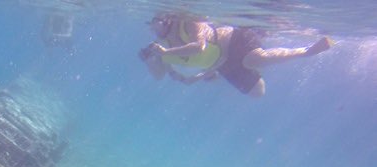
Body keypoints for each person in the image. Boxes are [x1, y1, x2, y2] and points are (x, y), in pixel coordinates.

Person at [139, 13, 332, 97]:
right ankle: (257, 44)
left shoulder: (189, 22)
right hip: (222, 63)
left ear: (166, 20)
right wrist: (150, 60)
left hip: (234, 40)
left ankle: (306, 51)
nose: (154, 29)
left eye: (156, 23)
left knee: (256, 59)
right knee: (257, 93)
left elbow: (199, 47)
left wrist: (166, 52)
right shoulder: (161, 47)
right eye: (151, 25)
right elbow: (172, 77)